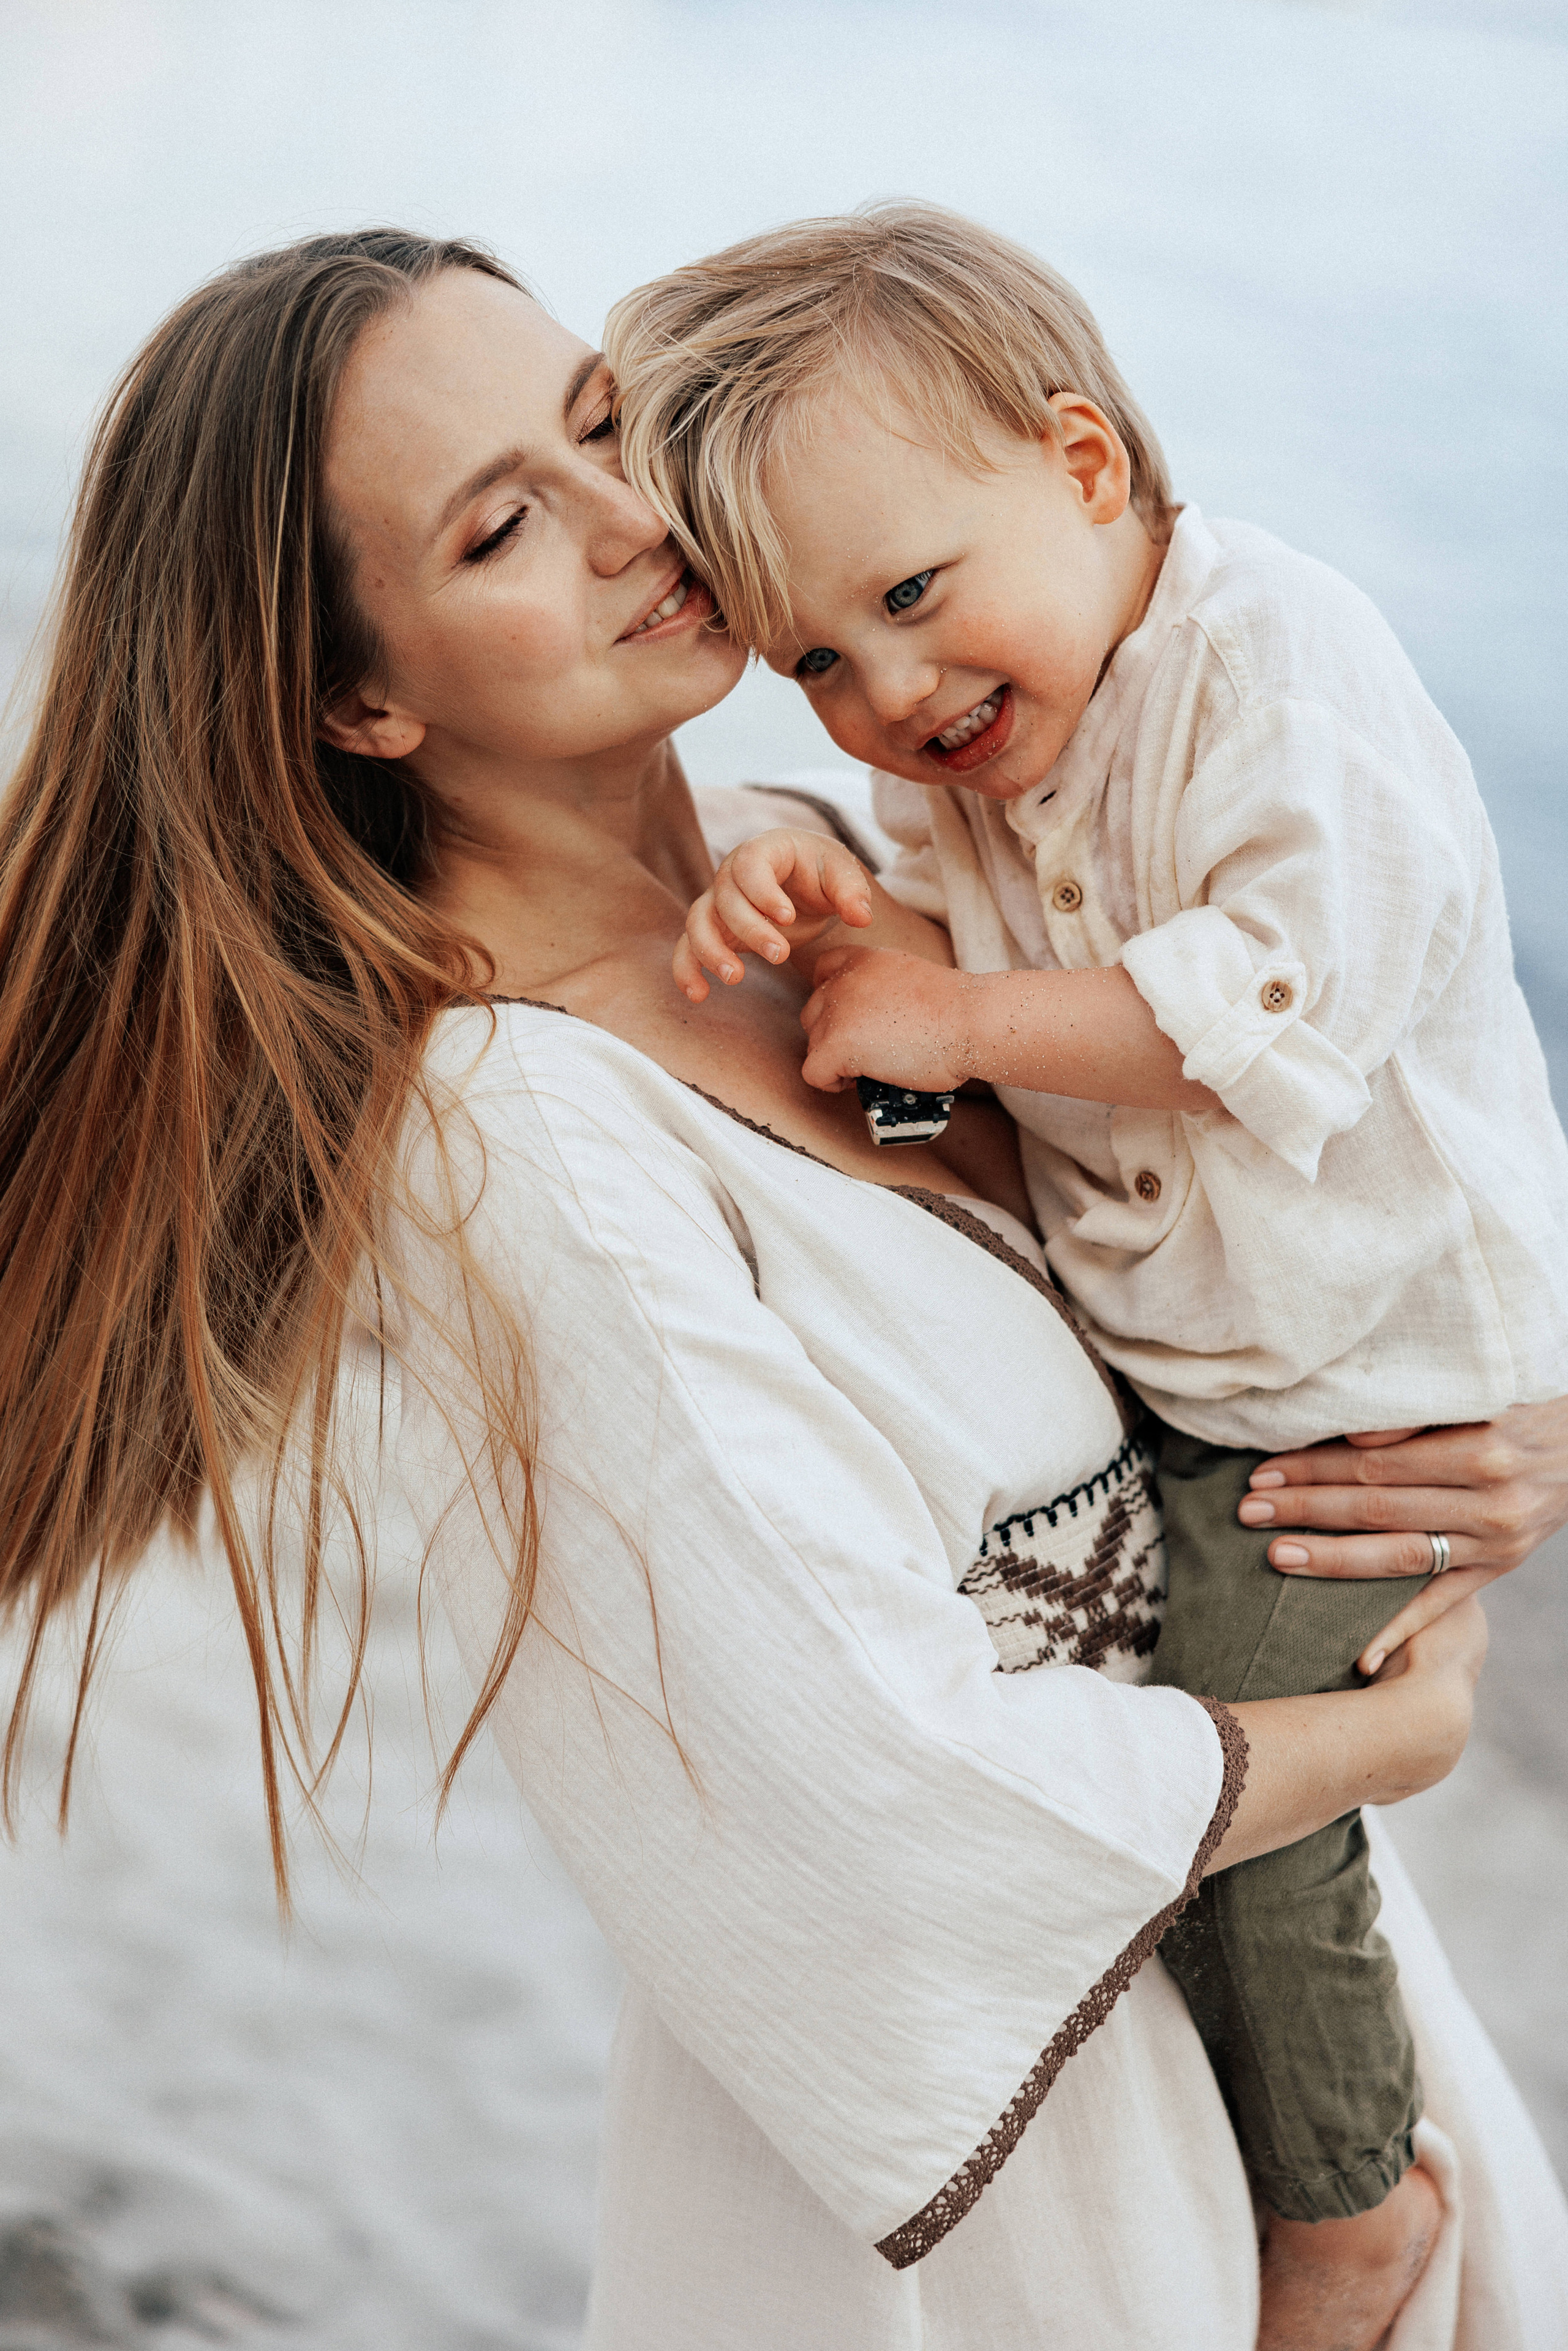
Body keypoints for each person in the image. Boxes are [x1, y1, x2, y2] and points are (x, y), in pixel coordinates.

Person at [1, 230, 1565, 2351]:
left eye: (598, 427)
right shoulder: (513, 1146)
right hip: (1033, 2161)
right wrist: (1385, 1731)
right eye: (502, 527)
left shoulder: (812, 851)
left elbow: (1264, 1151)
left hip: (1291, 1993)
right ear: (363, 697)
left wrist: (1489, 1439)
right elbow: (869, 1794)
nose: (641, 524)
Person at [612, 203, 1568, 2325]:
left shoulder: (1277, 669)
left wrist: (946, 1028)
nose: (895, 693)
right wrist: (811, 862)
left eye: (914, 599)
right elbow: (941, 910)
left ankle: (1346, 2206)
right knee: (1209, 1748)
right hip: (1219, 1354)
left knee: (1254, 1782)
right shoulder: (1015, 720)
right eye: (818, 666)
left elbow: (1268, 1003)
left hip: (1357, 1386)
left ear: (1082, 461)